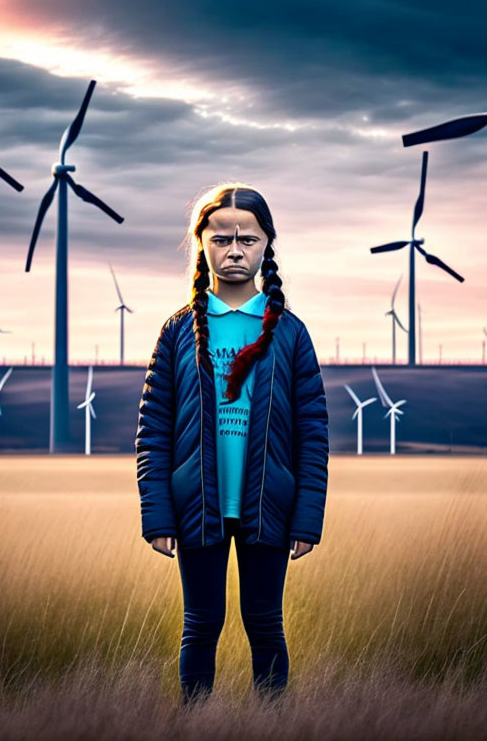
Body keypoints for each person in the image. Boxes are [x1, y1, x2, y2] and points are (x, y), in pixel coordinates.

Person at [135, 182, 329, 705]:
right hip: (197, 507)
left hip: (270, 506)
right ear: (202, 244)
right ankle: (194, 724)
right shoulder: (177, 333)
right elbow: (153, 432)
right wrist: (157, 516)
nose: (235, 249)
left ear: (267, 244)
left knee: (266, 625)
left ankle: (271, 724)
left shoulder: (292, 334)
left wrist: (308, 518)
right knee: (200, 625)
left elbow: (313, 435)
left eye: (248, 238)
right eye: (221, 239)